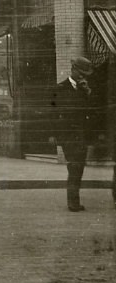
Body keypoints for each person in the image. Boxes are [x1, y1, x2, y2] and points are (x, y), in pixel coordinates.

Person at [51, 56, 94, 212]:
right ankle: (73, 202)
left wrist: (88, 92)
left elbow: (93, 111)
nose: (82, 76)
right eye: (80, 73)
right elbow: (52, 113)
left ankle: (75, 200)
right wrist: (53, 135)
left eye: (85, 74)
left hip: (82, 135)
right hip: (68, 135)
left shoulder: (85, 89)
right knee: (74, 166)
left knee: (79, 167)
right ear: (73, 70)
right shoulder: (60, 88)